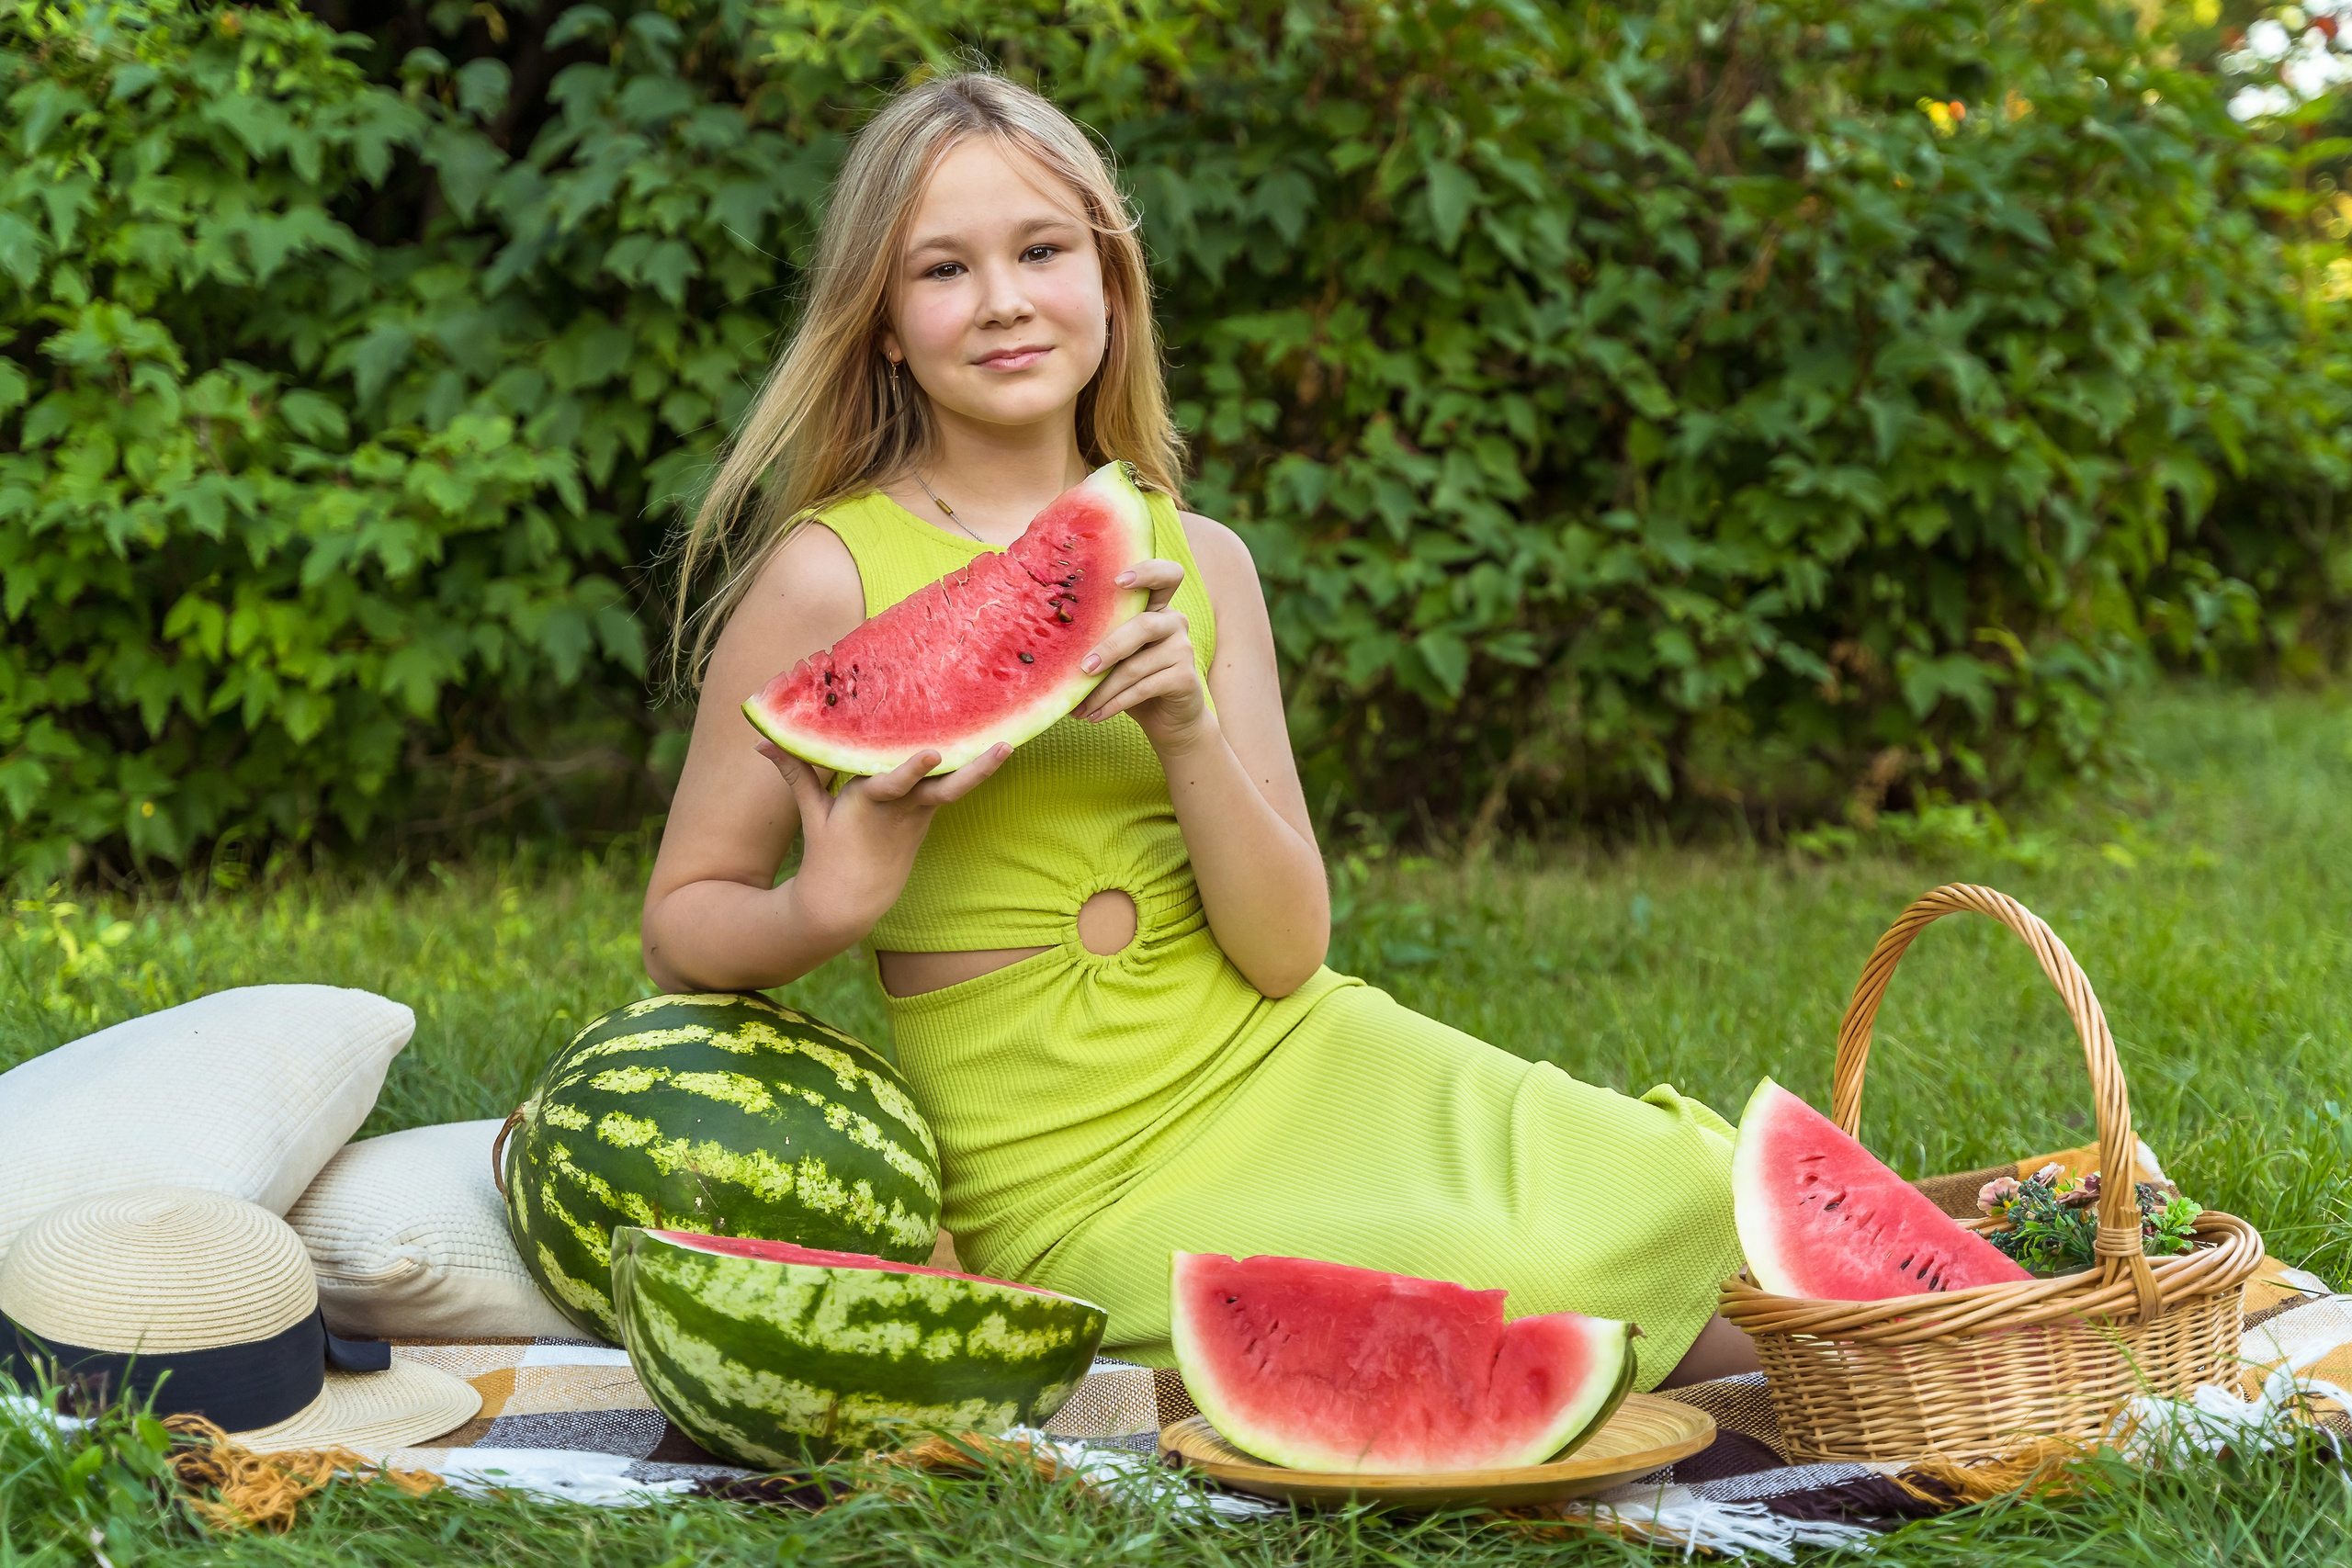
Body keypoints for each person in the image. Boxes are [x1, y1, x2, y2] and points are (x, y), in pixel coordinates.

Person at [642, 70, 1757, 1390]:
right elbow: (680, 927)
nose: (1003, 299)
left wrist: (1188, 732)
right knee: (1508, 1282)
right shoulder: (828, 575)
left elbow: (1288, 953)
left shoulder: (1202, 562)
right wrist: (825, 907)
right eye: (943, 269)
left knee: (1680, 1182)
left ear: (1111, 287)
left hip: (1295, 1053)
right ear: (883, 327)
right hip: (1076, 1174)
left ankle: (1911, 1388)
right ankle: (1809, 1402)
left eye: (1043, 251)